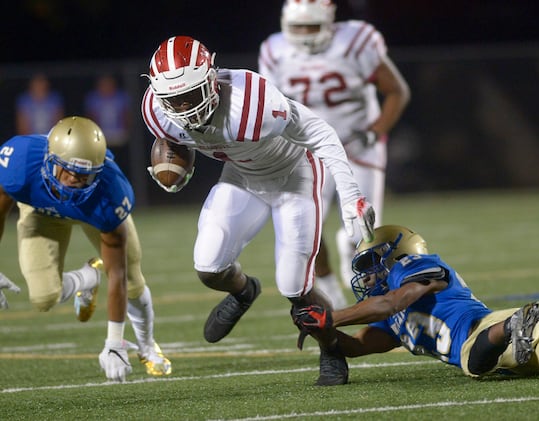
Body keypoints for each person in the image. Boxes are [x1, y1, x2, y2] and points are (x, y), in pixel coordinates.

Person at [141, 35, 375, 386]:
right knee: (208, 266)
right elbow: (175, 141)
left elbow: (321, 133)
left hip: (294, 175)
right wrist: (175, 166)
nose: (184, 107)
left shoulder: (252, 102)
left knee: (295, 286)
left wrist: (350, 195)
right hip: (241, 178)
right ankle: (244, 290)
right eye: (174, 99)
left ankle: (331, 349)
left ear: (211, 78)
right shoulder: (157, 112)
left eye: (190, 94)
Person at [292, 225, 539, 384]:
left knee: (472, 363)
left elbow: (392, 302)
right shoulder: (391, 320)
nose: (368, 277)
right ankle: (515, 328)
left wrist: (330, 317)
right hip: (515, 351)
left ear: (395, 253)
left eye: (373, 262)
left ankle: (511, 325)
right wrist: (320, 330)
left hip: (484, 330)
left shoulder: (411, 267)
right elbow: (357, 347)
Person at [258, 0, 411, 308]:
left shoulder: (355, 41)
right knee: (302, 226)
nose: (303, 35)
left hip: (357, 145)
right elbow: (270, 104)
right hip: (307, 147)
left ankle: (349, 246)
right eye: (296, 27)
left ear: (329, 22)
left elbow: (397, 91)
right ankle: (329, 286)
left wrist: (375, 130)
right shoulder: (274, 50)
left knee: (364, 232)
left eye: (311, 27)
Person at [0, 116, 171, 382]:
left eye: (82, 175)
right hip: (41, 211)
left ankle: (147, 347)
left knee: (133, 281)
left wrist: (114, 342)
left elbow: (117, 273)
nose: (72, 181)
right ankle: (87, 277)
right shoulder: (19, 162)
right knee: (43, 298)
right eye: (65, 170)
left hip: (90, 210)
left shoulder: (110, 192)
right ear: (49, 159)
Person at [84, 75, 132, 176]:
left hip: (119, 136)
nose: (106, 87)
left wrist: (126, 131)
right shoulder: (94, 99)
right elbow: (92, 118)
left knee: (121, 163)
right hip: (102, 137)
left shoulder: (120, 97)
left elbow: (126, 116)